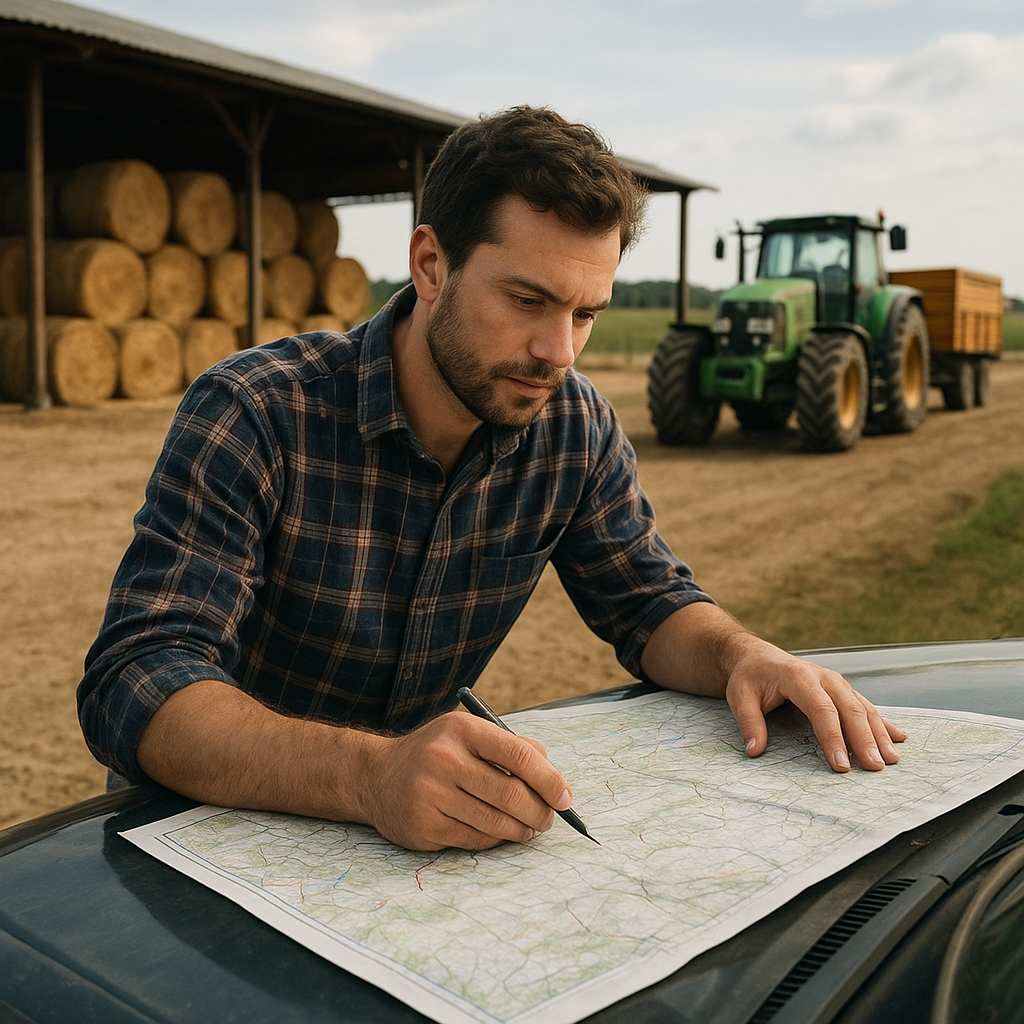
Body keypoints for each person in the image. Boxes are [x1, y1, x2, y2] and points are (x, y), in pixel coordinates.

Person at [77, 106, 904, 853]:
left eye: (585, 313)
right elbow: (139, 680)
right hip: (205, 838)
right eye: (527, 300)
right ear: (431, 264)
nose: (561, 351)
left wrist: (743, 656)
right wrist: (370, 776)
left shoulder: (572, 428)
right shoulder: (256, 412)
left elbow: (647, 604)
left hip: (405, 849)